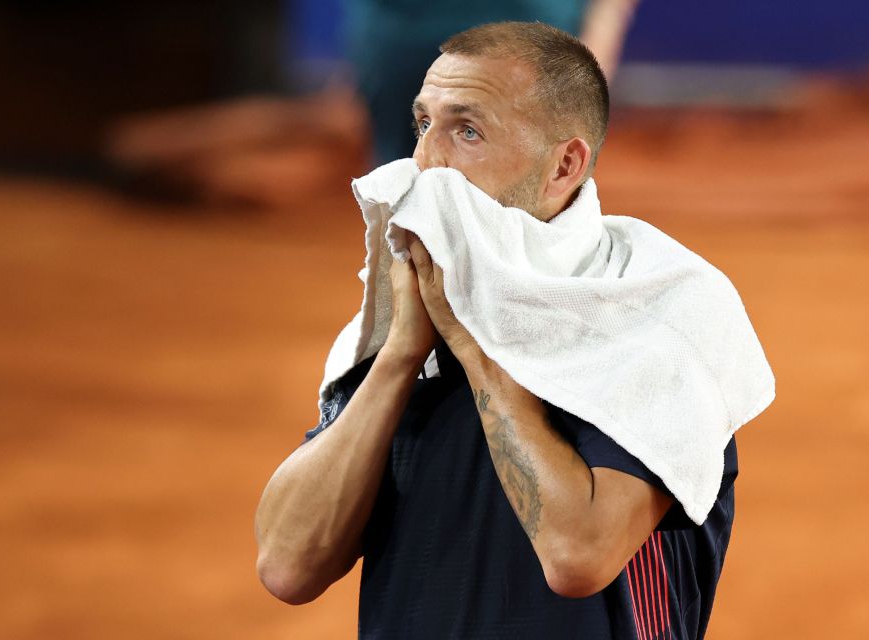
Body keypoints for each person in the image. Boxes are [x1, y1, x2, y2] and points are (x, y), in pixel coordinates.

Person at [256, 22, 743, 639]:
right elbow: (287, 565)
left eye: (468, 131)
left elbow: (578, 556)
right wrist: (401, 357)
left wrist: (476, 349)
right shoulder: (397, 326)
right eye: (422, 125)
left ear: (564, 165)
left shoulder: (657, 319)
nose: (427, 162)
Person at [345, 0, 638, 165]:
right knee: (408, 201)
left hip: (532, 33)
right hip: (400, 34)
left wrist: (602, 30)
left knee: (528, 198)